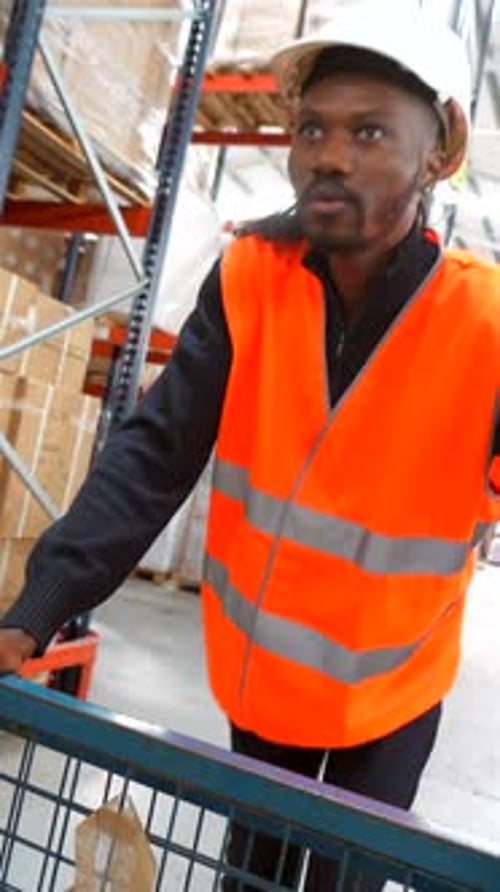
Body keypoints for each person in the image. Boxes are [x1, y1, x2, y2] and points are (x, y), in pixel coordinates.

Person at [1, 5, 500, 890]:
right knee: (251, 876)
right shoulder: (249, 280)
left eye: (369, 132)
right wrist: (36, 608)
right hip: (262, 685)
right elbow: (154, 455)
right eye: (311, 129)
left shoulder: (485, 323)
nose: (330, 155)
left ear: (441, 153)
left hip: (390, 698)